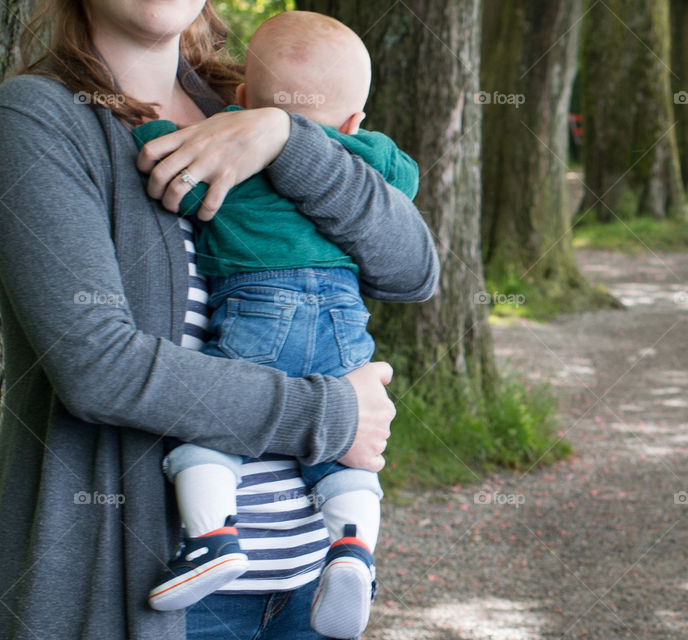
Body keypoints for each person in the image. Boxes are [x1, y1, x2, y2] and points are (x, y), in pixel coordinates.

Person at [0, 2, 439, 640]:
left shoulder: (256, 95)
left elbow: (413, 271)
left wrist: (288, 140)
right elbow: (98, 367)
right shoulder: (37, 119)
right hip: (164, 598)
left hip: (305, 586)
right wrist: (330, 415)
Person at [133, 13, 419, 639]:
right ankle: (353, 548)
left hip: (259, 310)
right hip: (344, 322)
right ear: (354, 120)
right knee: (350, 455)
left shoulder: (219, 147)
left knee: (212, 433)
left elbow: (169, 177)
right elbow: (405, 195)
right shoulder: (375, 157)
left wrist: (163, 129)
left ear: (240, 99)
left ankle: (212, 539)